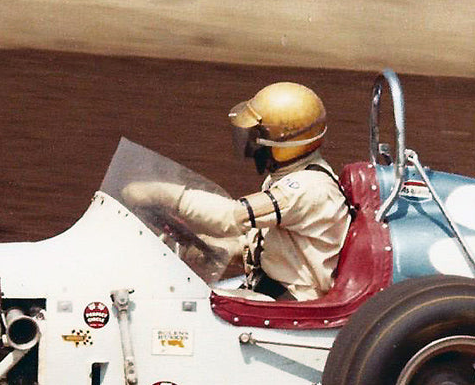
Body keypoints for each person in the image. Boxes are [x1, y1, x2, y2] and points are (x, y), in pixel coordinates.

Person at [126, 81, 352, 300]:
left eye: (258, 135)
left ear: (286, 140)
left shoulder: (306, 188)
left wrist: (167, 196)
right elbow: (277, 247)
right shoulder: (289, 177)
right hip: (271, 288)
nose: (253, 144)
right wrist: (223, 249)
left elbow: (231, 216)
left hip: (293, 301)